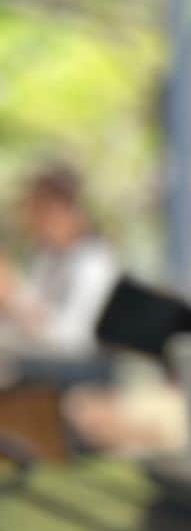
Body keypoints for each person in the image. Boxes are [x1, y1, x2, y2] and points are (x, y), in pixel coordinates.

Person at [0, 162, 118, 384]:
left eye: (41, 211)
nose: (33, 221)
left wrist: (13, 295)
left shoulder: (95, 263)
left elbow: (73, 340)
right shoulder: (47, 258)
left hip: (82, 372)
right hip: (44, 361)